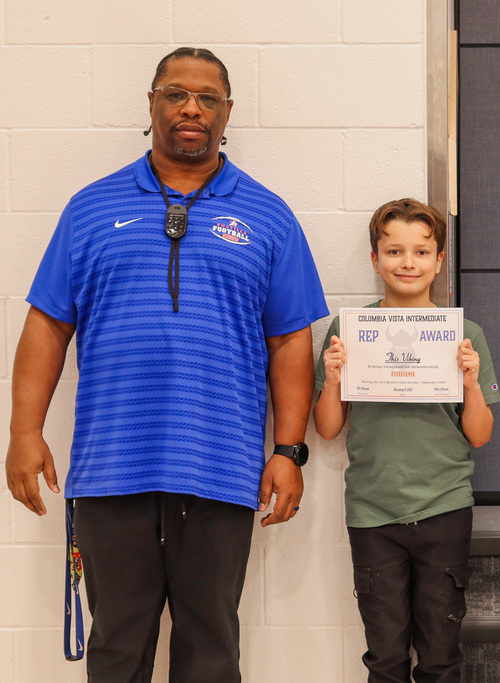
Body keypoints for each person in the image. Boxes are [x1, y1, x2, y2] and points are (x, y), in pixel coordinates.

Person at [4, 47, 328, 681]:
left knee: (210, 652)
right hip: (110, 470)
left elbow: (291, 341)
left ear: (227, 112)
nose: (191, 107)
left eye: (207, 98)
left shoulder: (269, 216)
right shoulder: (91, 208)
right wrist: (23, 431)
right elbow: (47, 323)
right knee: (117, 648)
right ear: (151, 103)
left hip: (220, 468)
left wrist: (288, 453)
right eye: (176, 93)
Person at [313, 198, 500, 682]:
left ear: (439, 261)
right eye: (394, 251)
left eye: (421, 251)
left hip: (444, 508)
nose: (408, 263)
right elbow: (328, 428)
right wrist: (332, 379)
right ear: (375, 260)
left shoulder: (465, 334)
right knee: (386, 660)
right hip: (373, 513)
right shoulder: (348, 330)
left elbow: (479, 435)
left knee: (440, 659)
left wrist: (472, 383)